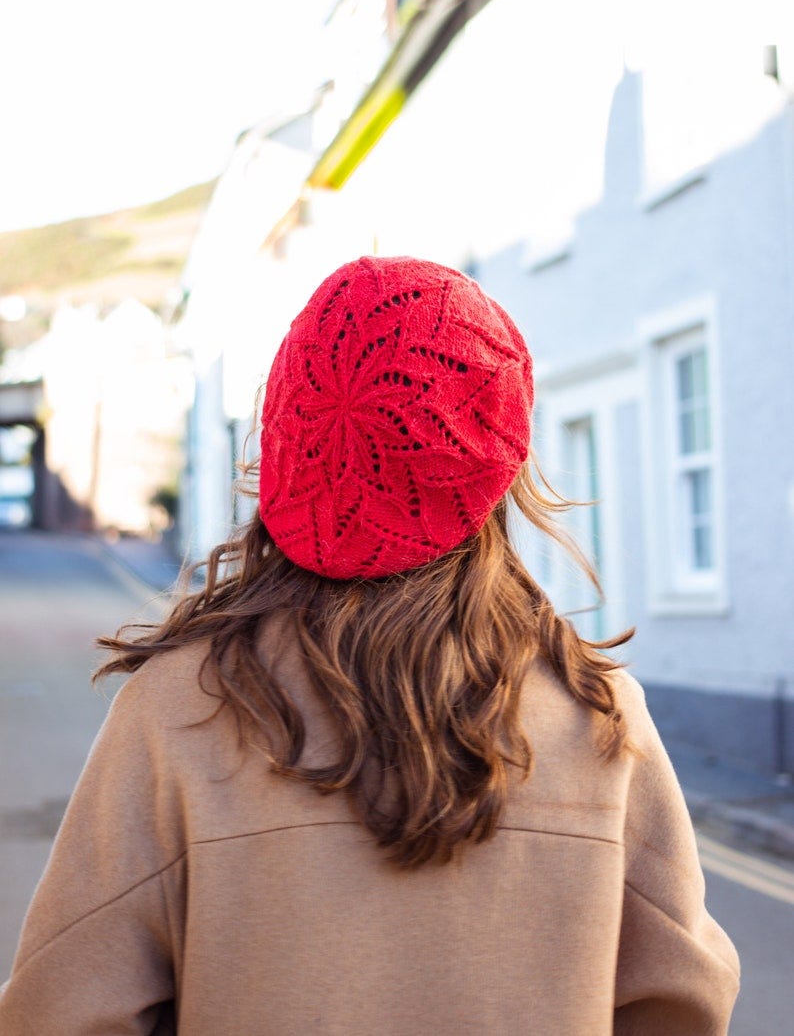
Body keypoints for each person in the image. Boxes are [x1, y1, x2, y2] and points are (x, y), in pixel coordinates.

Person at [0, 255, 739, 1034]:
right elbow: (681, 1003)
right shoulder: (597, 718)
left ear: (288, 450)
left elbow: (64, 1010)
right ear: (496, 463)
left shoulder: (179, 710)